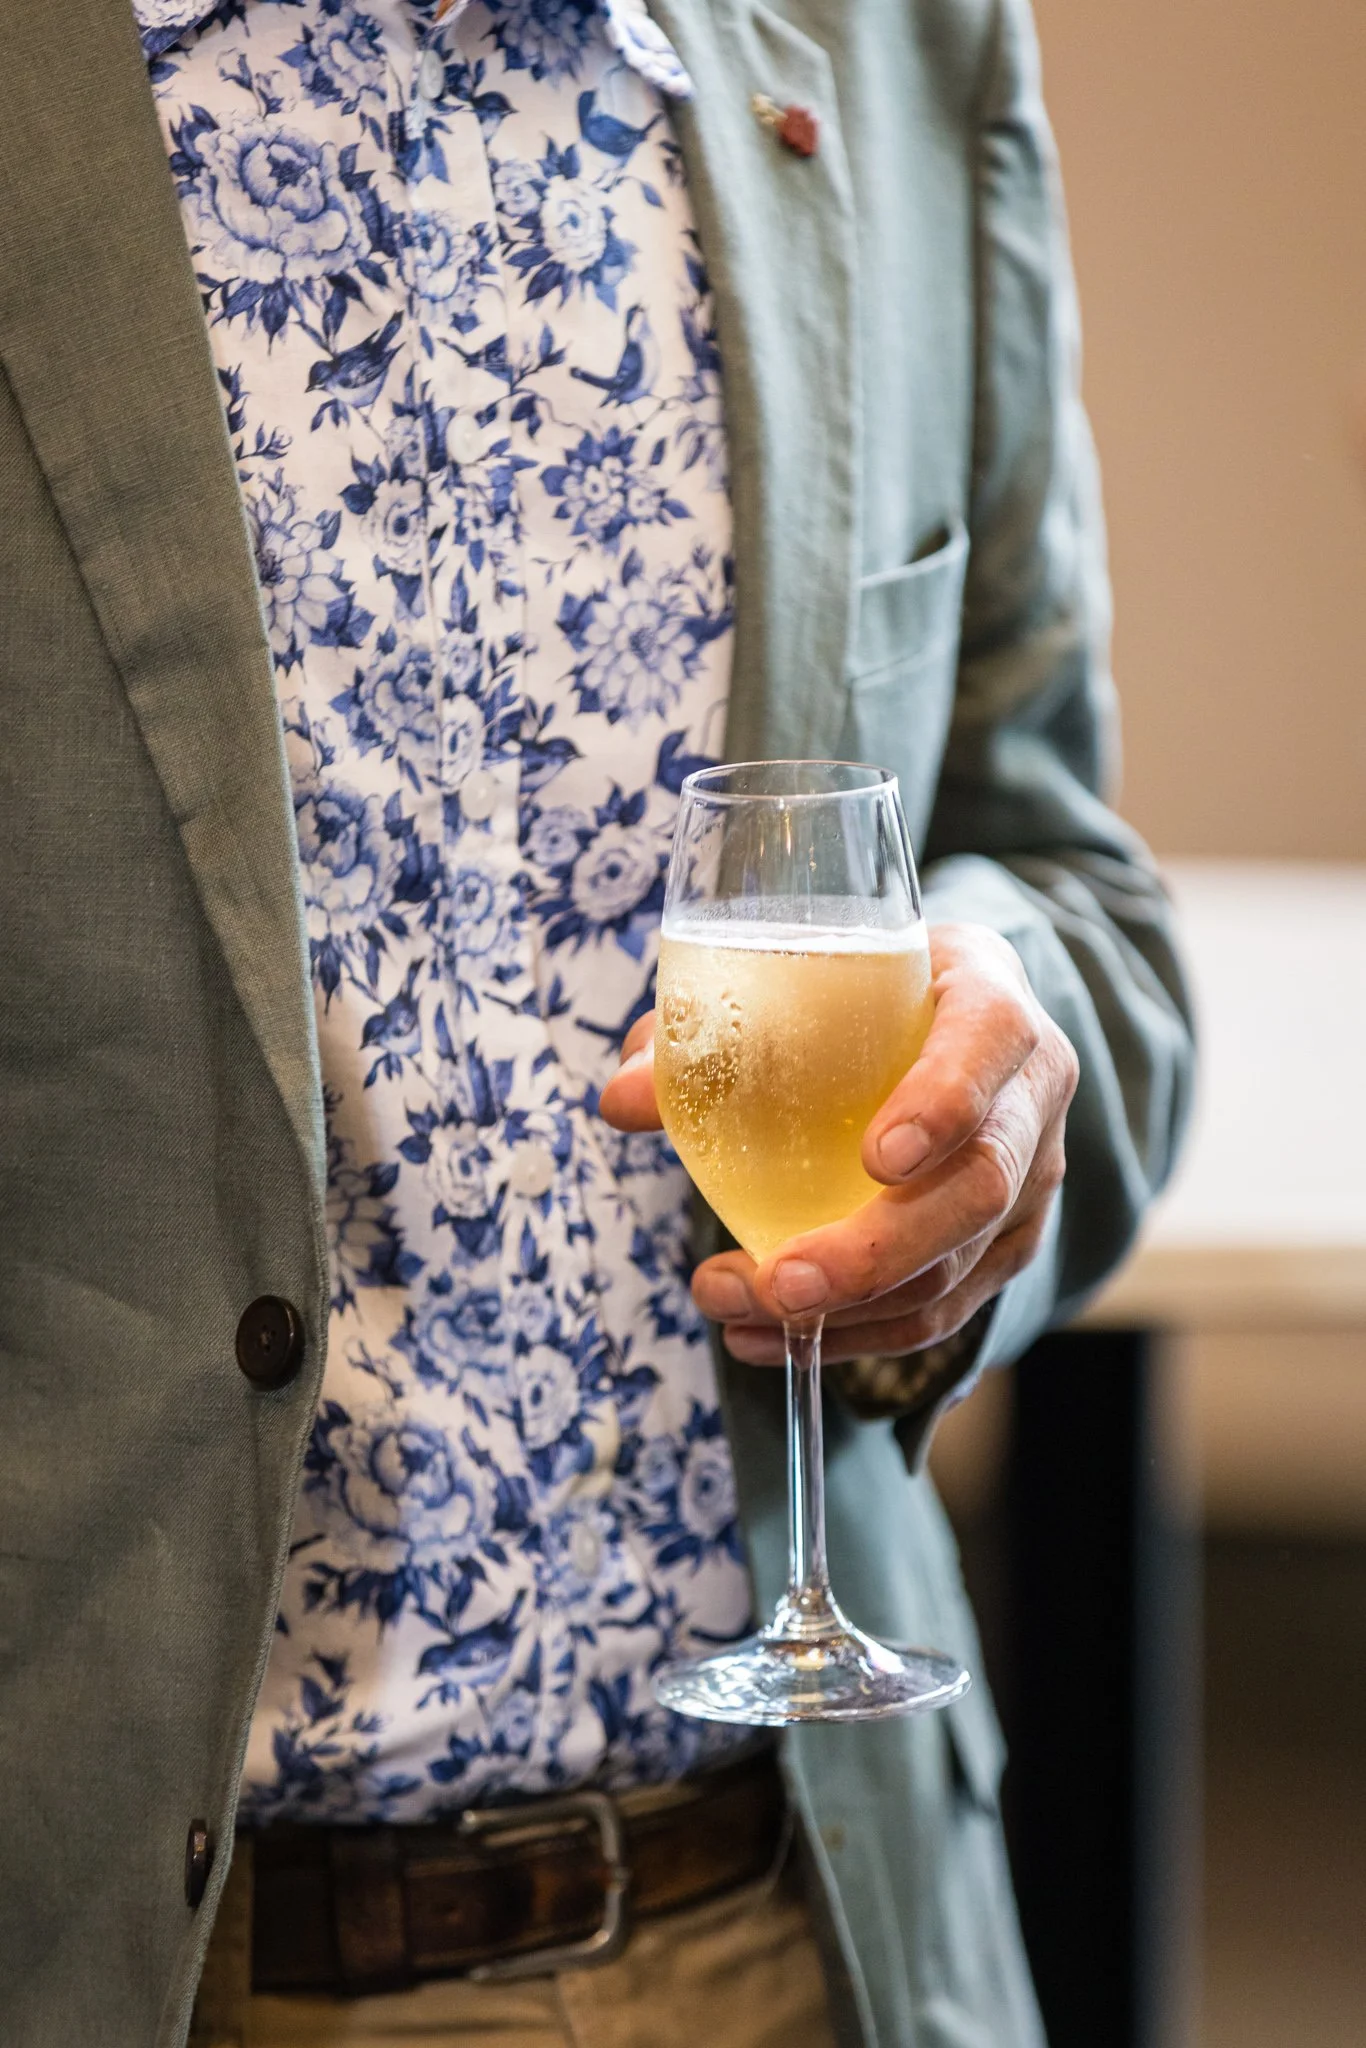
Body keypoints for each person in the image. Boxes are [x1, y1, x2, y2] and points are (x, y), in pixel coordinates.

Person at [0, 0, 1193, 2042]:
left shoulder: (896, 41)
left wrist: (1014, 1045)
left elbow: (1059, 871)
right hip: (121, 1950)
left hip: (807, 1930)